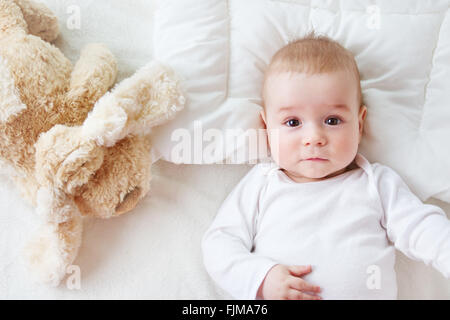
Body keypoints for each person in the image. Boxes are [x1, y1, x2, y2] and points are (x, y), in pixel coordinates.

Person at [201, 33, 450, 300]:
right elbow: (219, 243)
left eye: (332, 120)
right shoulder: (262, 183)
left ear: (359, 123)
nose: (314, 138)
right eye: (293, 122)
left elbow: (421, 227)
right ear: (266, 126)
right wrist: (262, 278)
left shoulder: (376, 183)